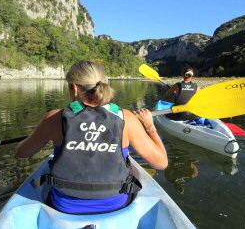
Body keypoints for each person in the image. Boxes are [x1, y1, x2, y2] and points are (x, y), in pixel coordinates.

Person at [15, 60, 168, 214]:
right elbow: (161, 163)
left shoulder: (54, 118)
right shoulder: (126, 118)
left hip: (64, 207)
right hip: (116, 205)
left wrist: (39, 131)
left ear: (74, 88)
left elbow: (21, 153)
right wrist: (150, 127)